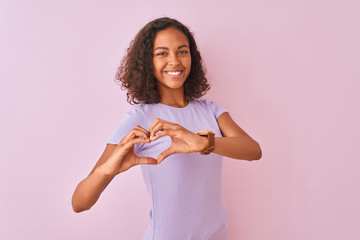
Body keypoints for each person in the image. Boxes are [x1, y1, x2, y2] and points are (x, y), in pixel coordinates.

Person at [72, 17, 262, 240]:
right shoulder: (141, 117)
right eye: (162, 53)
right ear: (147, 62)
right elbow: (79, 203)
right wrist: (108, 171)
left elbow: (253, 150)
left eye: (182, 51)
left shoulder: (211, 110)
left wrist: (202, 142)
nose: (175, 61)